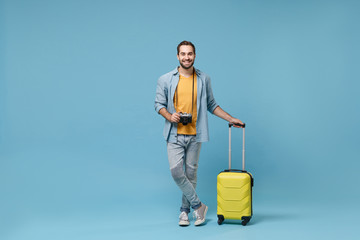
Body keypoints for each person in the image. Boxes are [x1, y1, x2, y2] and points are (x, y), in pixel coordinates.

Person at [154, 40, 244, 226]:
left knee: (191, 175)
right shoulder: (165, 79)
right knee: (177, 173)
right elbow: (158, 105)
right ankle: (198, 206)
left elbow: (212, 105)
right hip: (174, 134)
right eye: (183, 54)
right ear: (177, 56)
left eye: (190, 53)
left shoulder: (204, 79)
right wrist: (170, 116)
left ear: (195, 55)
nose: (187, 57)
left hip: (196, 134)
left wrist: (230, 118)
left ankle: (184, 212)